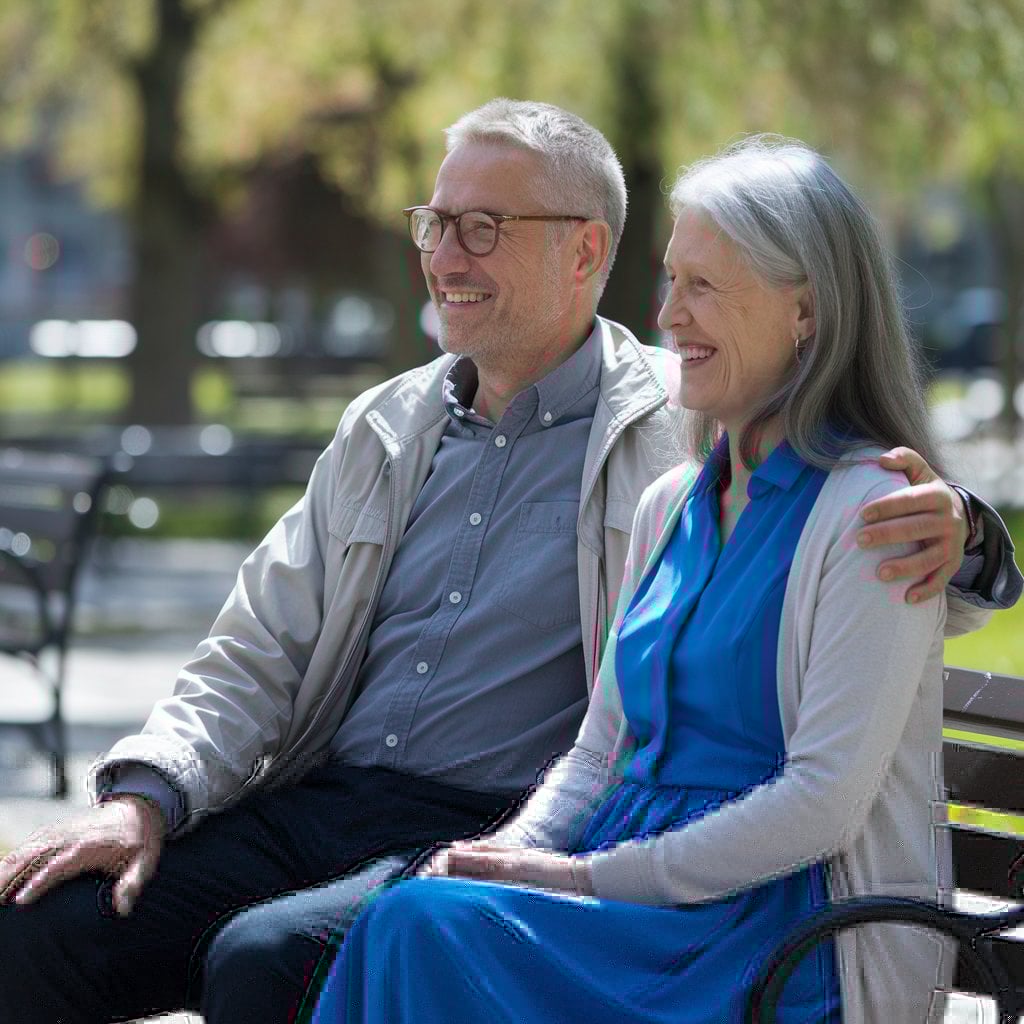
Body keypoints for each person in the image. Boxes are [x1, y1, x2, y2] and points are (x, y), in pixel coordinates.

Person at [0, 104, 1013, 1024]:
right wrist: (144, 796)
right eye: (435, 223)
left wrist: (964, 528)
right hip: (330, 800)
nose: (446, 255)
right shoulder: (386, 428)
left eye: (483, 227)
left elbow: (853, 526)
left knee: (270, 962)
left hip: (519, 827)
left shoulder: (675, 417)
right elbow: (252, 653)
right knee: (31, 927)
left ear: (585, 252)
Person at [309, 135, 1021, 1024]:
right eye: (672, 282)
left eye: (705, 287)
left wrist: (574, 875)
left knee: (420, 933)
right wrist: (508, 851)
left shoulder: (876, 513)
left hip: (763, 938)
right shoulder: (668, 506)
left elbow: (821, 808)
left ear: (806, 312)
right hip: (630, 902)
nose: (670, 317)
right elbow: (599, 751)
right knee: (411, 914)